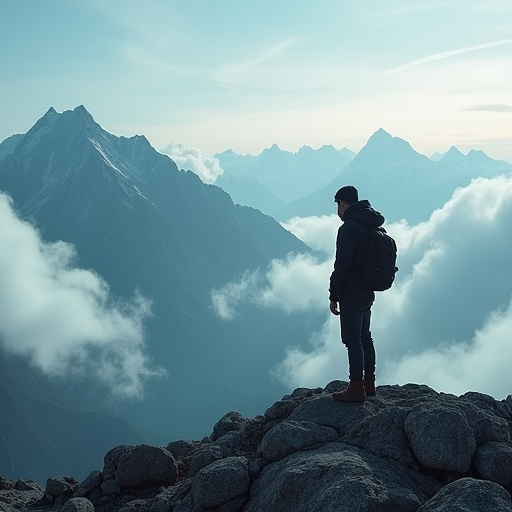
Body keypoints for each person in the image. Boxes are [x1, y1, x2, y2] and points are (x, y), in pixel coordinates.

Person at [329, 185, 385, 402]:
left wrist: (334, 294)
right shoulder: (371, 224)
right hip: (368, 290)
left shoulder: (349, 228)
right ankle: (369, 383)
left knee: (352, 340)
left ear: (342, 203)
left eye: (337, 205)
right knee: (365, 337)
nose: (337, 211)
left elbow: (342, 264)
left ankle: (355, 387)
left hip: (351, 291)